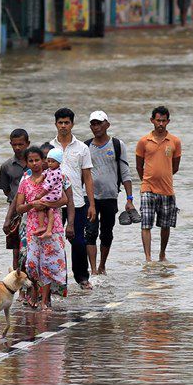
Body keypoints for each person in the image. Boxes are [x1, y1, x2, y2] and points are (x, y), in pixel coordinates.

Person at [16, 147, 69, 311]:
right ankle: (34, 291)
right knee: (32, 264)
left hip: (53, 227)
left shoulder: (54, 176)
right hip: (33, 227)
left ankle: (45, 300)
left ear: (43, 160)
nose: (34, 163)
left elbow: (65, 200)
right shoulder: (25, 182)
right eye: (30, 161)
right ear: (26, 163)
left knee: (49, 264)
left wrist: (46, 204)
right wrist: (33, 204)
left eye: (37, 160)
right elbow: (19, 208)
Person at [85, 110, 137, 275]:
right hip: (90, 198)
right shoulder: (85, 147)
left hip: (110, 196)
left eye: (99, 123)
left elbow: (125, 173)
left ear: (107, 124)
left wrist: (129, 199)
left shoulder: (117, 145)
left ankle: (102, 266)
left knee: (107, 233)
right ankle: (93, 270)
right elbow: (81, 175)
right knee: (90, 232)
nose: (96, 127)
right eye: (93, 124)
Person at [50, 108, 95, 290]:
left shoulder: (82, 148)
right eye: (60, 122)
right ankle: (55, 281)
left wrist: (92, 204)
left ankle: (82, 278)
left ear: (72, 124)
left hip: (77, 202)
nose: (63, 126)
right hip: (53, 203)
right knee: (52, 242)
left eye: (66, 122)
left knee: (78, 242)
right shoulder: (49, 147)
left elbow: (88, 177)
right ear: (55, 124)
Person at [136, 106, 182, 262]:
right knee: (145, 224)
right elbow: (139, 166)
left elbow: (175, 167)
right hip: (147, 188)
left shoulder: (175, 141)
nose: (160, 124)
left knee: (165, 225)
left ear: (168, 121)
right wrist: (146, 180)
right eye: (158, 120)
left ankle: (162, 254)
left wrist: (164, 175)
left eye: (163, 120)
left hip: (167, 189)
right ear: (152, 121)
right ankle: (148, 258)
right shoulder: (144, 141)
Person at [0, 128, 30, 270]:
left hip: (33, 208)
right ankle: (17, 277)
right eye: (14, 144)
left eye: (21, 144)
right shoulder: (6, 166)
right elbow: (6, 190)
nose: (17, 148)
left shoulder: (35, 162)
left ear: (27, 144)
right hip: (15, 211)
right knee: (16, 249)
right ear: (10, 144)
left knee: (33, 246)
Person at [32, 148, 64, 240]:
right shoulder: (51, 170)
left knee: (40, 203)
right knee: (47, 208)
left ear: (59, 162)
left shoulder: (57, 173)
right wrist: (41, 177)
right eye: (48, 161)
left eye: (53, 161)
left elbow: (49, 187)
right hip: (51, 194)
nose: (50, 163)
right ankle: (44, 228)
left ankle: (46, 228)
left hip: (54, 194)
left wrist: (40, 195)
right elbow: (45, 172)